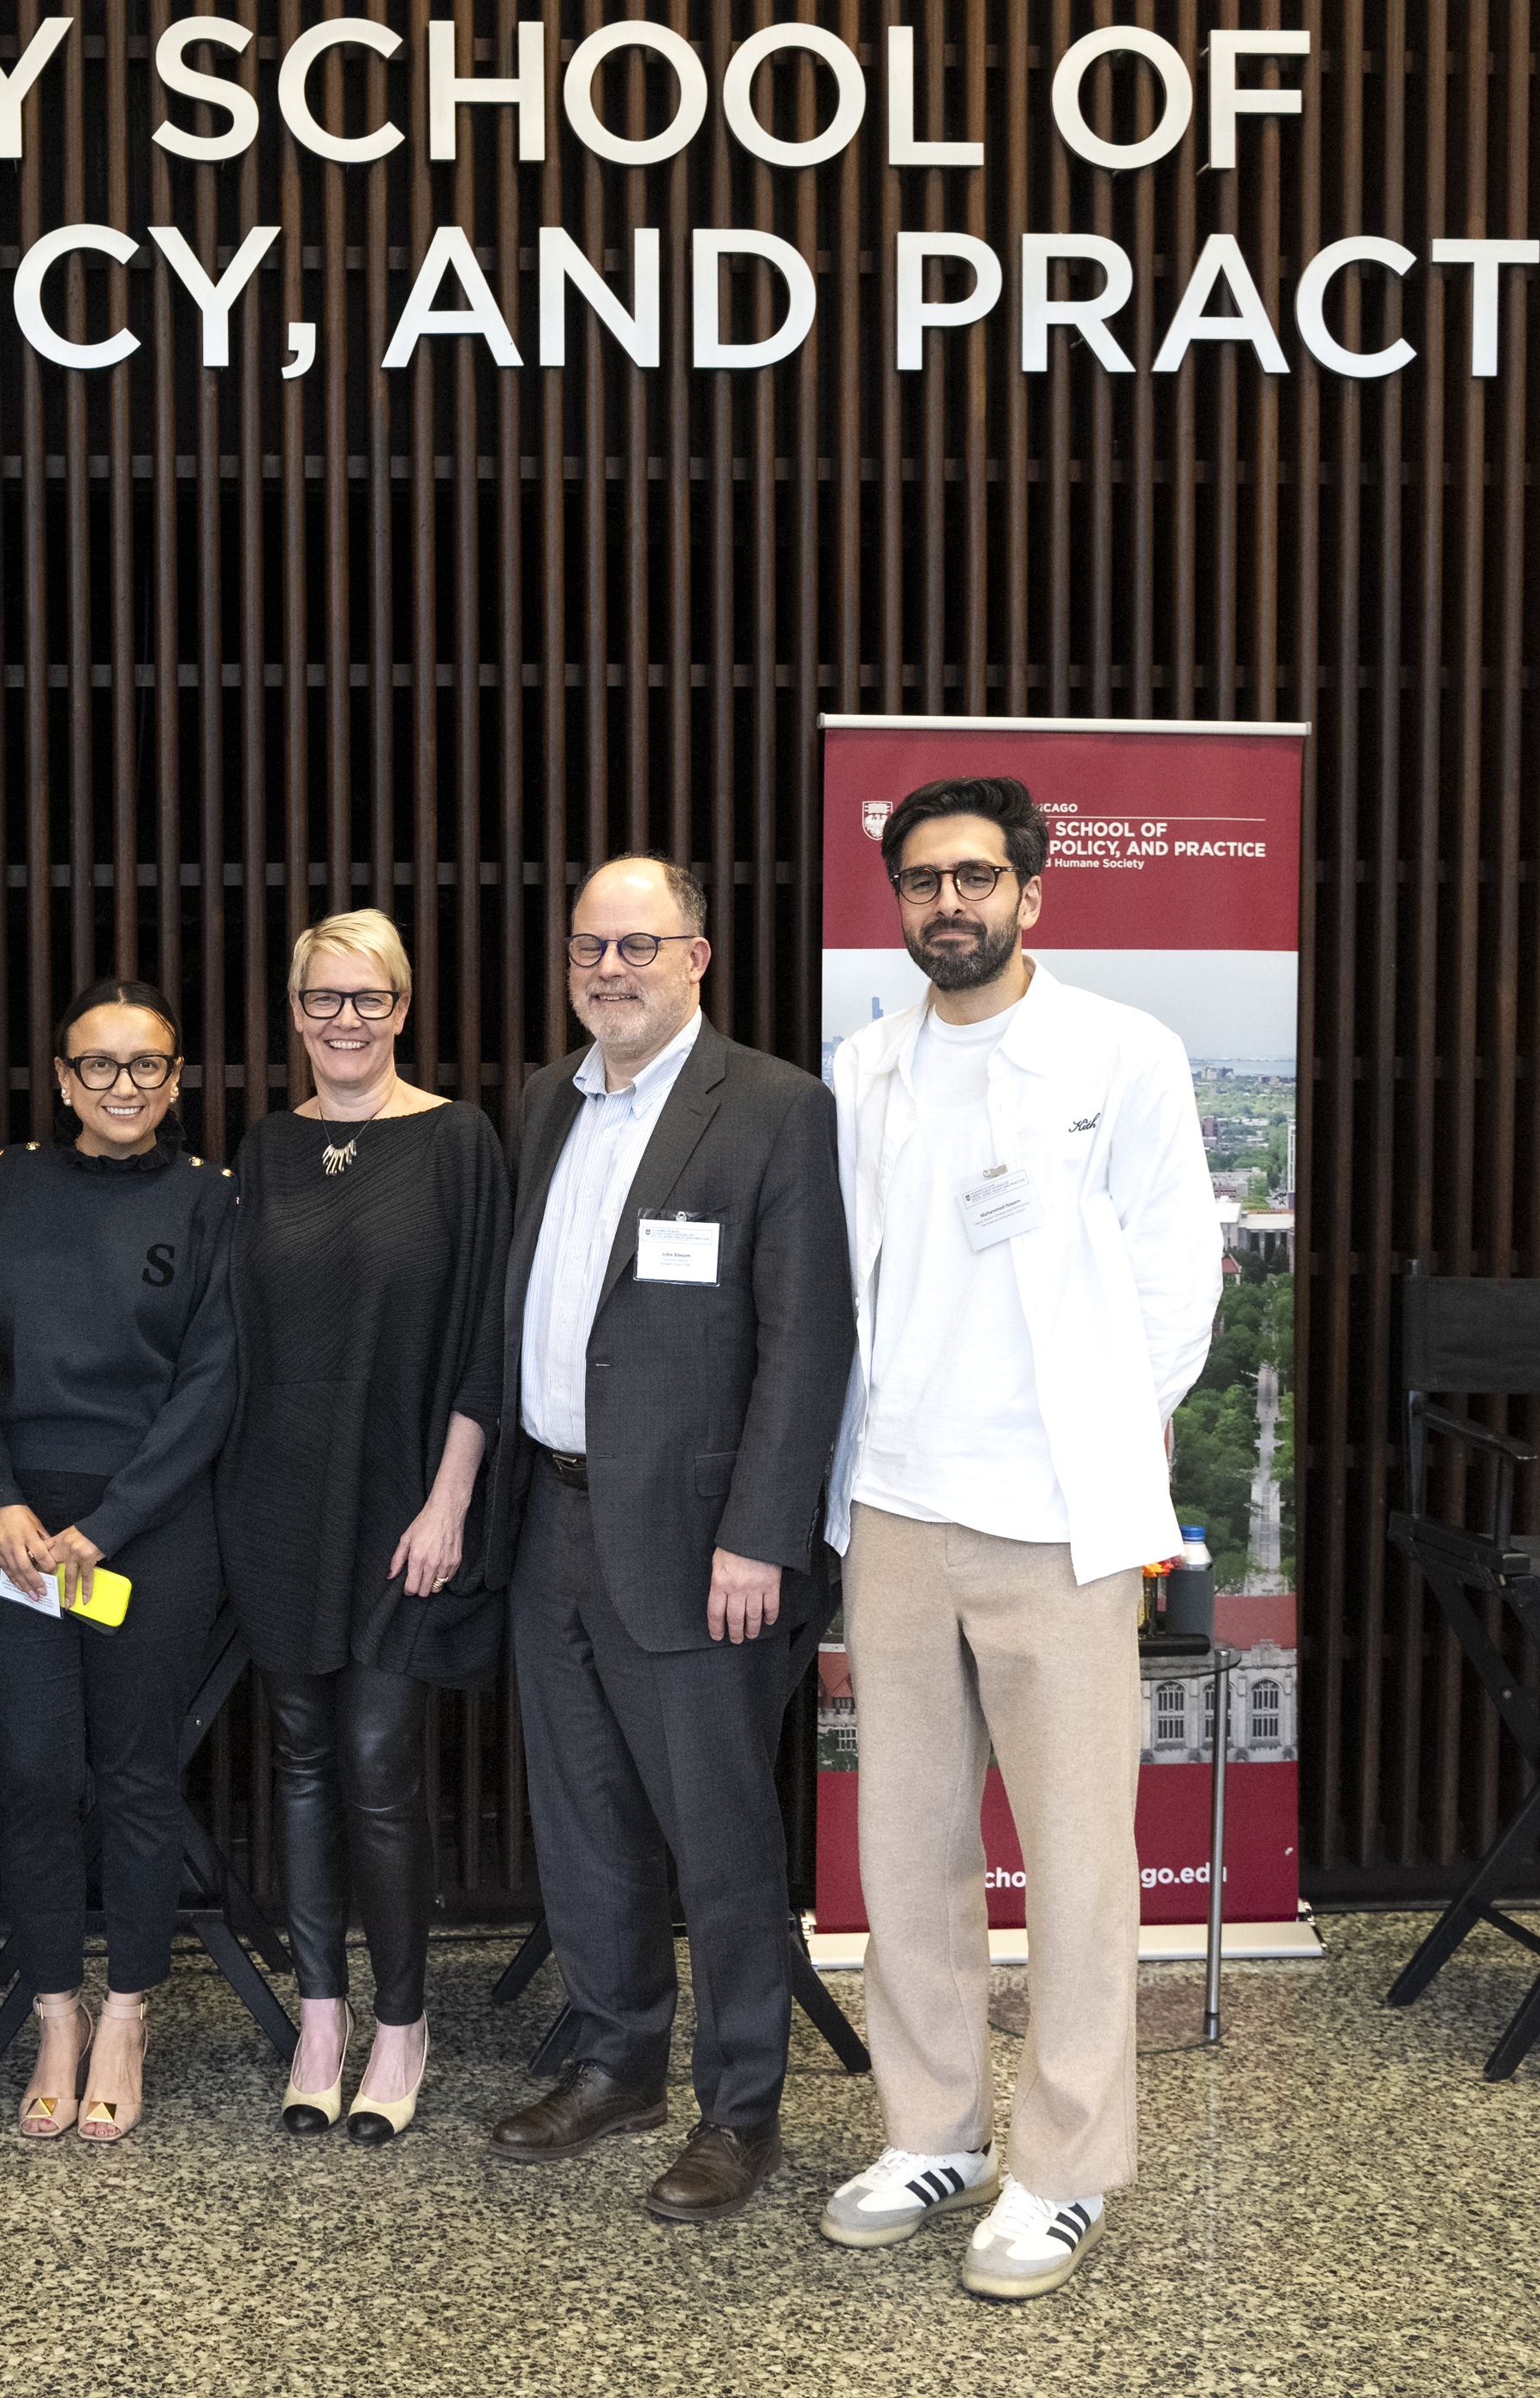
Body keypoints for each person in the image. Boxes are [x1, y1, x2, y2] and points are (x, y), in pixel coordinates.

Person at [820, 777, 1220, 2300]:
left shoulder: (1123, 1055)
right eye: (922, 882)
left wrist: (1100, 1442)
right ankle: (931, 2131)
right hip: (901, 1506)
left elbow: (1181, 1280)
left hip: (1058, 1522)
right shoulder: (864, 1070)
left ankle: (1062, 2168)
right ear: (899, 901)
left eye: (975, 877)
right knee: (908, 1855)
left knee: (1075, 1865)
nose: (949, 905)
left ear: (1032, 892)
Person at [478, 858, 854, 2222]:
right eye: (590, 944)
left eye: (641, 943)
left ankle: (740, 2108)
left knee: (719, 1842)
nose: (611, 967)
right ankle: (618, 2059)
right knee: (584, 1828)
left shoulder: (771, 1108)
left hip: (705, 1548)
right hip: (554, 1522)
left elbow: (809, 1342)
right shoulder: (545, 1099)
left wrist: (761, 1534)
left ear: (699, 956)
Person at [216, 909, 508, 2144]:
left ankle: (402, 2023)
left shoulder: (457, 1142)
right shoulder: (269, 1149)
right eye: (324, 1000)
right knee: (300, 1762)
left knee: (382, 1767)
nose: (347, 1020)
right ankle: (319, 2013)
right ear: (294, 1014)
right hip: (278, 1500)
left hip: (404, 1508)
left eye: (369, 998)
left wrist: (450, 1499)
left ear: (402, 1006)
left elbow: (491, 1336)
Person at [0, 978, 237, 2144]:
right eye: (97, 1065)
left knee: (135, 1777)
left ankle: (126, 2012)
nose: (121, 1087)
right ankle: (56, 2017)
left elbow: (213, 1384)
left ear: (175, 1080)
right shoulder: (2, 1188)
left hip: (151, 1531)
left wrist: (109, 1526)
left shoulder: (211, 1200)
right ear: (64, 1077)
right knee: (34, 1777)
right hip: (17, 1531)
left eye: (147, 1066)